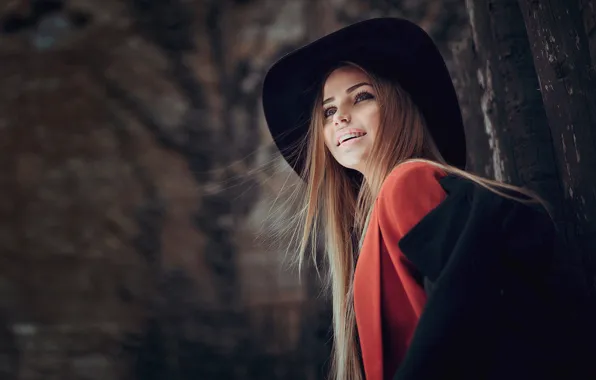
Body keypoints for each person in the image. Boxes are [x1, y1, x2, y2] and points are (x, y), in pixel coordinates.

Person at [261, 18, 594, 380]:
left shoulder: (408, 182)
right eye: (328, 111)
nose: (341, 116)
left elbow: (463, 315)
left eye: (362, 96)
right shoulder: (369, 226)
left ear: (399, 108)